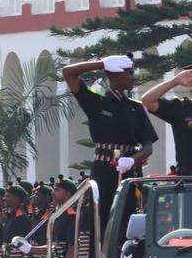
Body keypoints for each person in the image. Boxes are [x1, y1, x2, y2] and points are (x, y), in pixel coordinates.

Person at [61, 55, 157, 226]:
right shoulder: (96, 101)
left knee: (129, 219)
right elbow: (68, 73)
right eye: (128, 73)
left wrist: (133, 159)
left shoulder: (135, 107)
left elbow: (148, 146)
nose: (132, 77)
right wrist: (101, 64)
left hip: (129, 171)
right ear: (114, 75)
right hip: (103, 170)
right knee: (101, 220)